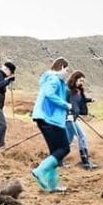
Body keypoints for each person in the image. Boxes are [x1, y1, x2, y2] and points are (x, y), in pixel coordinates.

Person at [30, 57, 72, 192]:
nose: (67, 73)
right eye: (67, 70)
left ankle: (52, 186)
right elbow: (49, 94)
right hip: (50, 119)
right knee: (64, 148)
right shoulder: (54, 78)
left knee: (55, 152)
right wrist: (66, 105)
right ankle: (40, 170)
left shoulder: (52, 79)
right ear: (61, 67)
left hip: (46, 118)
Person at [65, 70, 97, 169]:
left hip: (74, 117)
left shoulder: (79, 91)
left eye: (83, 81)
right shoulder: (67, 90)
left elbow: (81, 100)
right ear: (75, 79)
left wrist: (90, 100)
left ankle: (56, 159)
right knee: (82, 136)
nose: (82, 83)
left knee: (68, 140)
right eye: (80, 80)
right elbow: (62, 103)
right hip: (69, 118)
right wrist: (68, 114)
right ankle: (85, 162)